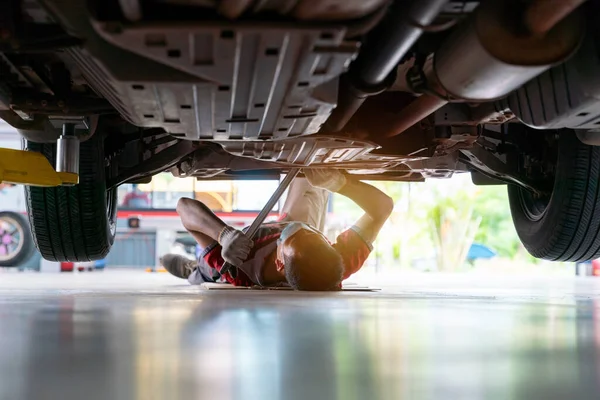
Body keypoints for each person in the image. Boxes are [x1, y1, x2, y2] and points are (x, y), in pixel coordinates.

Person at [160, 169, 394, 290]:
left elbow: (184, 208)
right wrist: (341, 184)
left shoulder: (240, 271)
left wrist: (223, 234)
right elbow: (382, 207)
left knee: (203, 272)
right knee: (309, 178)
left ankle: (190, 267)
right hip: (283, 244)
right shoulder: (338, 263)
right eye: (314, 234)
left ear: (280, 262)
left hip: (228, 259)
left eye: (296, 235)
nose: (299, 228)